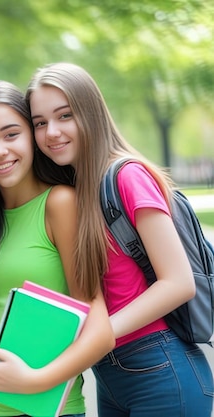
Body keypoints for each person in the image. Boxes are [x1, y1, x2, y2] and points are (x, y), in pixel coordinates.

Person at [26, 62, 214, 416]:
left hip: (160, 368)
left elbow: (178, 282)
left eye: (65, 116)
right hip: (111, 374)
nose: (51, 132)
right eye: (39, 122)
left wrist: (97, 335)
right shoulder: (75, 190)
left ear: (91, 113)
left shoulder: (126, 176)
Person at [0, 80, 115, 417]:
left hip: (50, 407)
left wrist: (35, 381)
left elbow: (100, 330)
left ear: (32, 135)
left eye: (11, 134)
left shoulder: (59, 204)